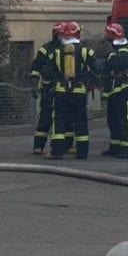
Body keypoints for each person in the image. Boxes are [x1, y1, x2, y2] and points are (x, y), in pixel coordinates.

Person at [41, 21, 95, 160]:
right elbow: (97, 69)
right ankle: (82, 153)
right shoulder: (86, 51)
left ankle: (57, 152)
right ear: (77, 34)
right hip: (79, 91)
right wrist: (87, 78)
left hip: (61, 92)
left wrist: (47, 86)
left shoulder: (57, 53)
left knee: (59, 121)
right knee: (80, 121)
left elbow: (47, 73)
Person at [100, 22, 128, 159]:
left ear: (113, 35)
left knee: (124, 119)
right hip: (114, 89)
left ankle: (127, 147)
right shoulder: (114, 49)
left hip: (124, 89)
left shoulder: (125, 50)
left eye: (108, 34)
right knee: (113, 119)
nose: (106, 36)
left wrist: (109, 56)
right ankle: (115, 146)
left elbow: (117, 64)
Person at [29, 22, 64, 155]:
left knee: (65, 118)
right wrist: (34, 83)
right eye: (60, 34)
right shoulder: (46, 49)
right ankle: (38, 145)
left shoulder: (68, 49)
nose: (62, 36)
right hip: (48, 89)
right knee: (45, 117)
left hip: (63, 89)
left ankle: (65, 145)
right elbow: (36, 67)